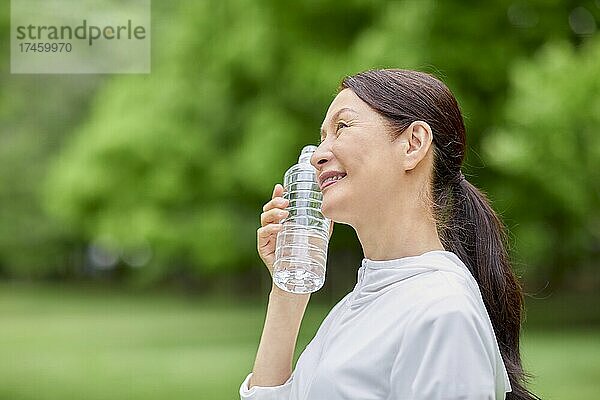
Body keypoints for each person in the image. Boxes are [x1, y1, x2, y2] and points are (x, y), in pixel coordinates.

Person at [240, 69, 539, 400]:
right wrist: (289, 286)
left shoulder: (442, 311)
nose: (317, 155)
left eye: (342, 127)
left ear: (413, 144)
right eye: (323, 136)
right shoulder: (366, 300)